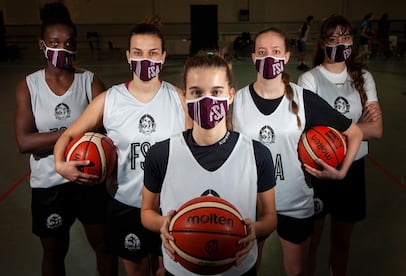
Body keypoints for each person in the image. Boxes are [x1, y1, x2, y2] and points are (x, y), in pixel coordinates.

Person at [53, 18, 190, 276]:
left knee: (168, 271)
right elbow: (68, 135)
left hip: (170, 205)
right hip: (126, 204)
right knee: (135, 271)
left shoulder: (179, 98)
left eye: (152, 53)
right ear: (128, 56)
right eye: (137, 53)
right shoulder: (110, 100)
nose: (145, 60)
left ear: (163, 57)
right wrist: (61, 165)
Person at [232, 27, 363, 276]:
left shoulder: (304, 99)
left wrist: (341, 172)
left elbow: (354, 132)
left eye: (276, 51)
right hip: (251, 204)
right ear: (252, 58)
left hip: (294, 202)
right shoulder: (236, 101)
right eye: (262, 52)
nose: (269, 57)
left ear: (287, 57)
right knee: (247, 270)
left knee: (297, 272)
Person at [140, 51, 278, 275]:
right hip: (181, 268)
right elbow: (147, 211)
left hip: (238, 269)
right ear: (185, 97)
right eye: (197, 92)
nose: (207, 100)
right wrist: (162, 224)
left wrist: (256, 229)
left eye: (216, 92)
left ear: (231, 95)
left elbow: (270, 217)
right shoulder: (161, 154)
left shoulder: (257, 154)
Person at [14, 2, 117, 276]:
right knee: (54, 251)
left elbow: (107, 135)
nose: (62, 48)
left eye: (68, 42)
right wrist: (76, 133)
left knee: (104, 245)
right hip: (49, 183)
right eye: (54, 42)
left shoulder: (90, 82)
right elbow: (24, 142)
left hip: (89, 177)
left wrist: (47, 141)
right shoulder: (29, 85)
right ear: (42, 45)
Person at [297, 14, 383, 276]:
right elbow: (310, 135)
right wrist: (358, 129)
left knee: (342, 242)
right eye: (333, 38)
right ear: (323, 43)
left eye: (345, 38)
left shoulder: (363, 77)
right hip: (318, 169)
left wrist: (333, 134)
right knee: (311, 243)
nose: (340, 43)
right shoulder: (309, 80)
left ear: (352, 41)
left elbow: (377, 129)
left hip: (353, 169)